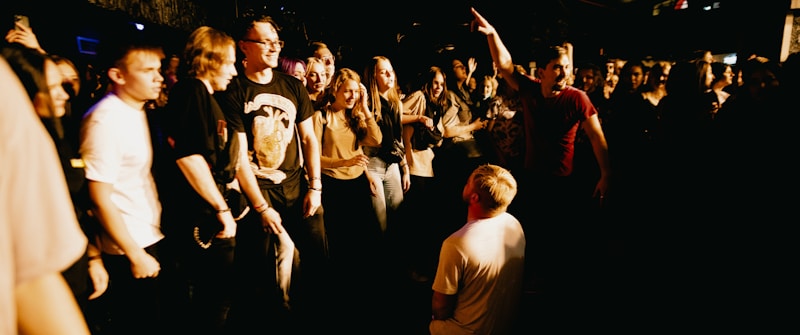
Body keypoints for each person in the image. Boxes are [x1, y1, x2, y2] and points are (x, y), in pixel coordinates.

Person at [471, 7, 611, 325]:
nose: (563, 73)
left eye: (566, 67)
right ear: (542, 71)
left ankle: (557, 296)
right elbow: (505, 65)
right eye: (557, 67)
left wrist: (606, 173)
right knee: (529, 232)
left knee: (559, 236)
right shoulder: (531, 89)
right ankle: (527, 285)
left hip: (563, 181)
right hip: (532, 177)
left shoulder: (578, 98)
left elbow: (597, 137)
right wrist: (492, 33)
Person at [217, 12, 326, 333]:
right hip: (258, 192)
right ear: (244, 46)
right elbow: (238, 156)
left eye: (276, 42)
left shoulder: (292, 86)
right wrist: (261, 207)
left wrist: (315, 187)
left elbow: (309, 139)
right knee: (258, 277)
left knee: (318, 263)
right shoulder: (234, 90)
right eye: (265, 42)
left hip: (297, 187)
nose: (274, 47)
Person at [155, 26, 243, 334]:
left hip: (208, 214)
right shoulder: (191, 91)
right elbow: (189, 157)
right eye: (229, 62)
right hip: (197, 218)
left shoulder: (206, 96)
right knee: (209, 304)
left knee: (216, 301)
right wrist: (221, 209)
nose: (234, 71)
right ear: (210, 60)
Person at [78, 28, 167, 334]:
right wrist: (135, 254)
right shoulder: (106, 119)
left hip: (147, 234)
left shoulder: (135, 110)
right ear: (117, 75)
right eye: (147, 70)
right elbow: (99, 197)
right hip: (128, 246)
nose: (158, 78)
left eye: (158, 69)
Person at [0, 52, 92, 335]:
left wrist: (94, 256)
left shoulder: (62, 136)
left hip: (67, 258)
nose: (64, 93)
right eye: (53, 87)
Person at [311, 67, 384, 329]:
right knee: (341, 248)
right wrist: (344, 162)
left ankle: (364, 303)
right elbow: (313, 157)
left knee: (363, 246)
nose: (352, 96)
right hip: (333, 185)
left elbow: (376, 140)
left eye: (355, 91)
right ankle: (341, 308)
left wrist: (365, 109)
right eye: (347, 91)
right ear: (336, 90)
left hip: (356, 185)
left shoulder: (355, 116)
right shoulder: (321, 116)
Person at [429, 163, 525, 335]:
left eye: (468, 183)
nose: (464, 184)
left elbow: (441, 307)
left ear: (474, 197)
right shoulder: (514, 224)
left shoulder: (457, 244)